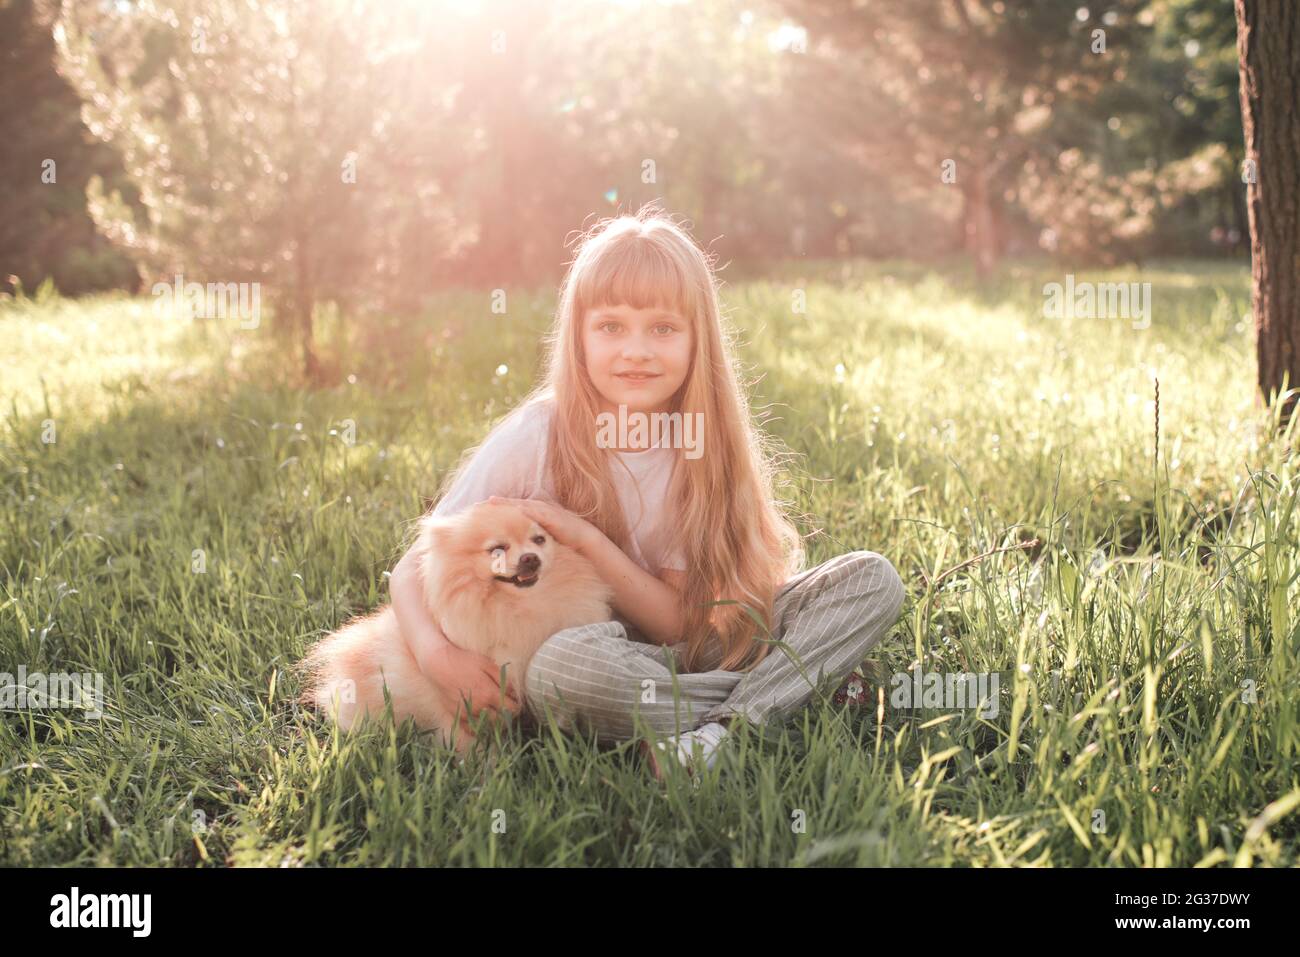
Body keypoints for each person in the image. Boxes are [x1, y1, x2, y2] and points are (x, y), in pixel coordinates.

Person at [388, 202, 905, 779]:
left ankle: (726, 729)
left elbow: (678, 628)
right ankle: (789, 689)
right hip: (603, 664)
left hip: (702, 639)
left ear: (696, 339)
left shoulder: (704, 443)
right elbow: (411, 567)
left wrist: (583, 536)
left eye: (662, 328)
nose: (636, 350)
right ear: (578, 337)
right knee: (562, 669)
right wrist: (439, 659)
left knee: (872, 579)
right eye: (611, 327)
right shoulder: (538, 434)